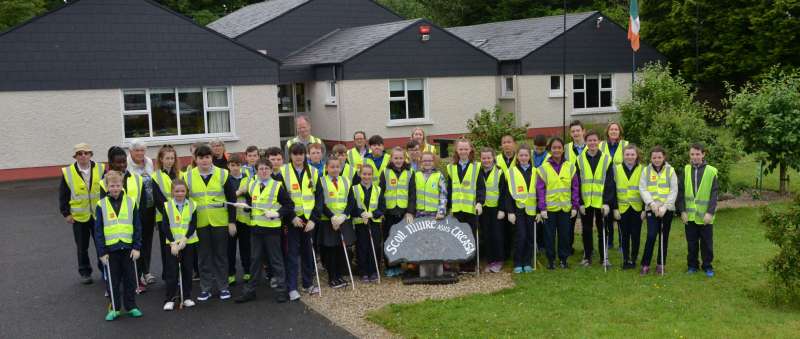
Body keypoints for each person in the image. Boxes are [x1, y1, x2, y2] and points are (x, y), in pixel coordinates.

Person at [184, 144, 238, 301]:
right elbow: (186, 203)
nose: (204, 160)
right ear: (195, 159)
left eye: (207, 157)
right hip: (199, 223)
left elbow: (232, 199)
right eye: (201, 157)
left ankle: (223, 287)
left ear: (212, 158)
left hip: (220, 222)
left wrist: (232, 222)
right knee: (203, 257)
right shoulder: (188, 176)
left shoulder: (223, 173)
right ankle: (205, 289)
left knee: (221, 256)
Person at [235, 159, 294, 303]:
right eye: (261, 169)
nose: (264, 171)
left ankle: (282, 291)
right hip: (256, 229)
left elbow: (289, 205)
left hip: (272, 230)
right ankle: (250, 291)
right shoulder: (253, 185)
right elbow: (251, 203)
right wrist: (245, 206)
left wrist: (277, 213)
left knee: (276, 260)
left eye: (267, 168)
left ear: (271, 170)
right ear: (256, 171)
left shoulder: (277, 186)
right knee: (255, 260)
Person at [94, 171, 143, 321]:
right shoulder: (101, 205)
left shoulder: (131, 202)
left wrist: (137, 247)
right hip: (111, 250)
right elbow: (98, 231)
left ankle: (131, 306)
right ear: (107, 187)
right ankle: (115, 308)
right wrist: (101, 252)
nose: (115, 188)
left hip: (128, 249)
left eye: (117, 185)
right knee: (113, 281)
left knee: (130, 279)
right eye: (112, 186)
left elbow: (137, 226)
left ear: (122, 186)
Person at [102, 146, 148, 292]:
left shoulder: (137, 178)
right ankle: (113, 285)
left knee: (136, 253)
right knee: (115, 258)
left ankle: (137, 280)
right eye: (118, 162)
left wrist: (141, 221)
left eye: (124, 162)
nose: (122, 165)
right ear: (111, 163)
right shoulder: (104, 182)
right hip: (115, 228)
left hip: (134, 224)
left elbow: (143, 202)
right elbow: (103, 205)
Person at [60, 143, 106, 284]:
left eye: (86, 153)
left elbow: (106, 190)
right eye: (80, 153)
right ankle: (85, 272)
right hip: (79, 217)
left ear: (91, 154)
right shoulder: (68, 172)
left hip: (98, 215)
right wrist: (66, 213)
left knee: (101, 244)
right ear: (75, 157)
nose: (83, 156)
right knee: (82, 247)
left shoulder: (101, 168)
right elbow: (63, 195)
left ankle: (104, 270)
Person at [281, 143, 320, 300]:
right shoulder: (283, 171)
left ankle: (308, 283)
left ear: (305, 155)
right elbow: (280, 198)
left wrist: (313, 219)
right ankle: (292, 287)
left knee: (308, 252)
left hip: (308, 220)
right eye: (295, 154)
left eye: (301, 154)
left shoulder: (314, 172)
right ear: (290, 155)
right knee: (291, 254)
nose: (298, 157)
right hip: (292, 219)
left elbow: (319, 198)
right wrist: (291, 217)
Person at [536, 138, 580, 269]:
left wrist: (575, 206)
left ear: (563, 149)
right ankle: (551, 260)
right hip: (549, 209)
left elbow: (575, 188)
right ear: (550, 150)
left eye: (559, 147)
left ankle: (563, 259)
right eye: (554, 148)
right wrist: (542, 208)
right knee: (549, 236)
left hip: (565, 208)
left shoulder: (570, 167)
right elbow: (540, 190)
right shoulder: (543, 168)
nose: (557, 150)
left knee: (564, 235)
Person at [678, 143, 719, 277]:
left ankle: (707, 266)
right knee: (692, 243)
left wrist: (710, 213)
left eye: (697, 154)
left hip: (705, 216)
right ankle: (692, 266)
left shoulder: (711, 171)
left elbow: (714, 194)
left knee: (707, 244)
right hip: (689, 216)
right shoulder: (685, 170)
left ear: (703, 154)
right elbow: (681, 192)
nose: (695, 157)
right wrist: (682, 211)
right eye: (692, 154)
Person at [576, 131, 615, 267]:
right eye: (589, 140)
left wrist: (607, 203)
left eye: (594, 140)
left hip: (601, 202)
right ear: (586, 142)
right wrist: (580, 202)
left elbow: (610, 183)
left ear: (599, 141)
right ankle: (587, 256)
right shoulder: (579, 159)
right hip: (586, 202)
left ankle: (604, 257)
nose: (592, 143)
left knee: (602, 230)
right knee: (586, 230)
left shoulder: (607, 159)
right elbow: (577, 183)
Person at [313, 157, 353, 289]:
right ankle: (332, 277)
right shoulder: (321, 181)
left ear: (340, 168)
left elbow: (351, 201)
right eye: (332, 167)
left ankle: (339, 275)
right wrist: (332, 217)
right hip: (328, 221)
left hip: (343, 220)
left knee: (341, 248)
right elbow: (320, 202)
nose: (335, 169)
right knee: (330, 249)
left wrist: (344, 215)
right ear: (326, 168)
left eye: (337, 167)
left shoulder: (346, 181)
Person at [127, 140, 161, 286]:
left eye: (142, 150)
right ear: (130, 151)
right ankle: (137, 273)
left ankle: (146, 272)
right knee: (136, 242)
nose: (140, 153)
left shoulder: (149, 162)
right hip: (135, 209)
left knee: (147, 241)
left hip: (149, 207)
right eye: (137, 150)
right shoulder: (126, 165)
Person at [639, 146, 678, 275]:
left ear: (664, 157)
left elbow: (674, 190)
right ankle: (645, 264)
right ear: (651, 158)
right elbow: (643, 189)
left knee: (664, 236)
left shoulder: (670, 170)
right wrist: (651, 204)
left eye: (659, 157)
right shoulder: (646, 171)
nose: (657, 159)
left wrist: (665, 207)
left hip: (667, 209)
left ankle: (661, 264)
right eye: (654, 157)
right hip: (652, 208)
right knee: (651, 235)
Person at [160, 179, 198, 311]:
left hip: (188, 242)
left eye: (182, 191)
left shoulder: (192, 204)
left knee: (187, 270)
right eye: (177, 191)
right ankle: (169, 299)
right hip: (172, 245)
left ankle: (186, 297)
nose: (180, 193)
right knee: (172, 271)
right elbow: (165, 226)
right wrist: (172, 243)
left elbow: (193, 224)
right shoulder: (167, 206)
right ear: (172, 192)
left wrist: (185, 239)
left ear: (186, 191)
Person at [447, 138, 484, 273]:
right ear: (457, 150)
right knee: (458, 236)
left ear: (470, 150)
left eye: (466, 149)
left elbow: (481, 187)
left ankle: (470, 264)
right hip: (457, 209)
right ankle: (461, 263)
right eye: (461, 149)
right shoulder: (451, 168)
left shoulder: (476, 167)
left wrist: (480, 202)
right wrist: (448, 207)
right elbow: (450, 189)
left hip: (471, 209)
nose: (463, 151)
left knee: (471, 236)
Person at [380, 146, 415, 277]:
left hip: (404, 213)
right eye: (396, 158)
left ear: (404, 158)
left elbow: (412, 194)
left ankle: (405, 265)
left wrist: (410, 211)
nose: (398, 160)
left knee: (405, 239)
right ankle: (391, 266)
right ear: (391, 159)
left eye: (401, 158)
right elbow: (380, 193)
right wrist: (381, 211)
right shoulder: (385, 172)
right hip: (389, 213)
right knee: (389, 240)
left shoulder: (410, 172)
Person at [504, 144, 538, 273]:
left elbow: (540, 193)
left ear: (530, 157)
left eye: (526, 155)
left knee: (530, 237)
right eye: (521, 155)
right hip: (518, 210)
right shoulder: (511, 172)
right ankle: (518, 262)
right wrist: (510, 212)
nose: (523, 157)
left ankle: (527, 262)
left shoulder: (535, 171)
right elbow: (507, 194)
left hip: (531, 210)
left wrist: (539, 211)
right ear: (517, 157)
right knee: (521, 236)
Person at [611, 145, 645, 270]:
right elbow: (612, 190)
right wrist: (615, 208)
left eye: (632, 154)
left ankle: (633, 259)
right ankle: (625, 259)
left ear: (636, 156)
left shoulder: (643, 169)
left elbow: (647, 190)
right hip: (622, 208)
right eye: (627, 154)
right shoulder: (616, 169)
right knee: (624, 235)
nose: (630, 157)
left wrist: (644, 209)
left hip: (637, 208)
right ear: (623, 156)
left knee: (636, 235)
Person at [351, 165, 385, 282]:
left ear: (372, 175)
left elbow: (382, 207)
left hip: (374, 222)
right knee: (362, 247)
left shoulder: (377, 189)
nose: (366, 176)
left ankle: (374, 271)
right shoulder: (354, 189)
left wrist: (372, 214)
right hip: (360, 223)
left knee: (374, 246)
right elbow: (352, 206)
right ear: (360, 174)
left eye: (369, 174)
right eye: (364, 174)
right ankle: (363, 271)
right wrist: (361, 213)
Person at [477, 147, 507, 273]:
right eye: (484, 158)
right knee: (487, 235)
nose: (486, 160)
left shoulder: (499, 172)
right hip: (483, 209)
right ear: (480, 159)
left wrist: (502, 209)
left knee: (497, 235)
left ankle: (499, 261)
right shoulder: (477, 171)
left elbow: (503, 193)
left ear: (493, 158)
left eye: (489, 158)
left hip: (496, 209)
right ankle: (490, 261)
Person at [152, 145, 179, 281]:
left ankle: (178, 274)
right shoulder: (155, 176)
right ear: (161, 159)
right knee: (167, 247)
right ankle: (168, 275)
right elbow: (158, 199)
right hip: (164, 217)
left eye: (172, 158)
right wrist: (170, 214)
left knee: (179, 245)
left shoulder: (179, 174)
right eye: (167, 158)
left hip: (180, 216)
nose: (170, 161)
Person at [227, 154, 251, 286]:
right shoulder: (226, 180)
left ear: (241, 166)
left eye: (238, 165)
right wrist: (240, 192)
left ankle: (247, 271)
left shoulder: (248, 179)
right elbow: (227, 198)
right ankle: (231, 274)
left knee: (245, 247)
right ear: (228, 166)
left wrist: (243, 193)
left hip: (245, 219)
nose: (235, 168)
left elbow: (252, 196)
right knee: (230, 249)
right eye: (232, 165)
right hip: (230, 219)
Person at [496, 134, 517, 260]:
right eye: (504, 142)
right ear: (501, 145)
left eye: (509, 142)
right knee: (502, 227)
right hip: (500, 196)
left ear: (514, 143)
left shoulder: (519, 158)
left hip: (516, 196)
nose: (507, 144)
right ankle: (505, 253)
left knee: (514, 226)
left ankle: (515, 252)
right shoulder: (497, 159)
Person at [532, 134, 550, 251]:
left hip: (544, 190)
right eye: (536, 148)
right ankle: (535, 242)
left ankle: (543, 244)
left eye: (541, 149)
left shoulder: (548, 157)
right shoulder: (530, 154)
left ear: (545, 147)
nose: (538, 151)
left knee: (543, 219)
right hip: (531, 190)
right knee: (534, 218)